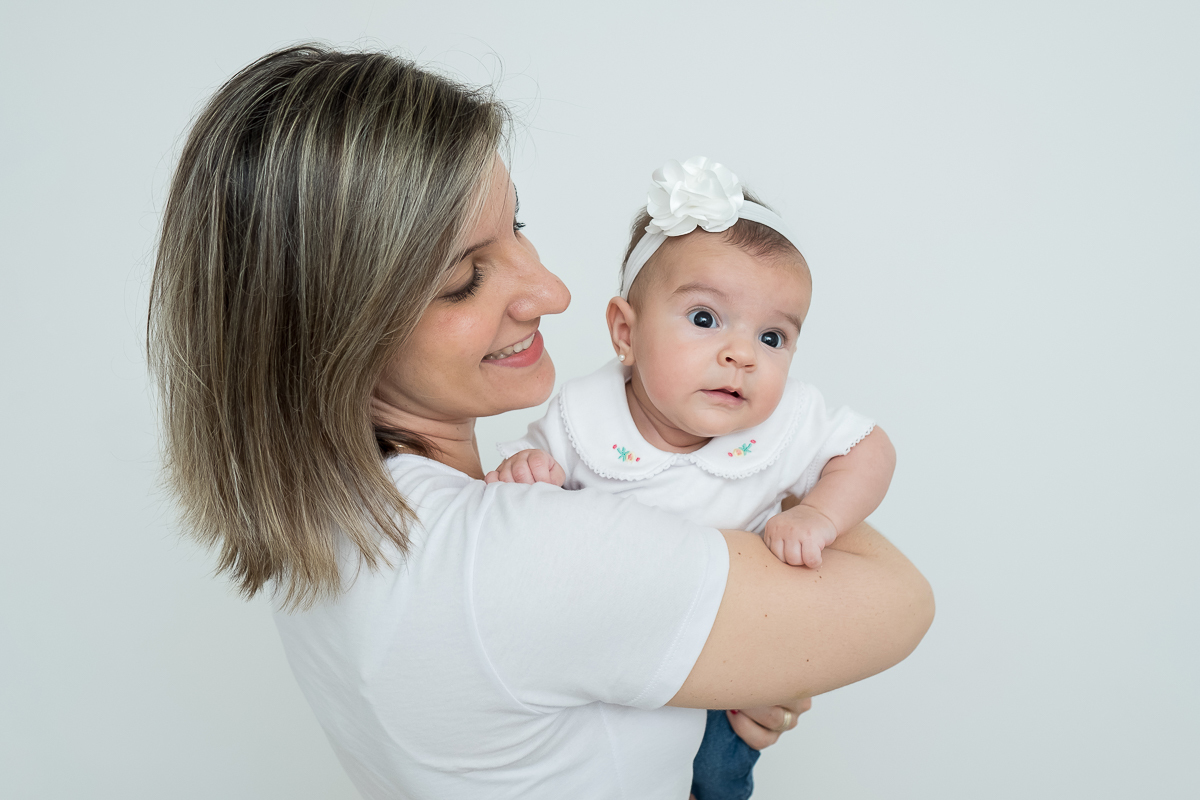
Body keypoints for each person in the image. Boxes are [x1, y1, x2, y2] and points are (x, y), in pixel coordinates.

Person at [148, 44, 933, 800]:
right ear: (330, 327)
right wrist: (767, 464)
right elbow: (899, 601)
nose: (550, 291)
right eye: (464, 279)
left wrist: (733, 662)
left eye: (517, 225)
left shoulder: (321, 520)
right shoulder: (523, 554)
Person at [488, 156, 896, 800]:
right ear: (626, 330)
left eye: (773, 336)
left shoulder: (785, 423)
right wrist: (527, 470)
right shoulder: (583, 417)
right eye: (705, 319)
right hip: (615, 665)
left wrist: (821, 515)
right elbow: (526, 486)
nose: (741, 354)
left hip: (730, 666)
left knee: (722, 775)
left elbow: (868, 449)